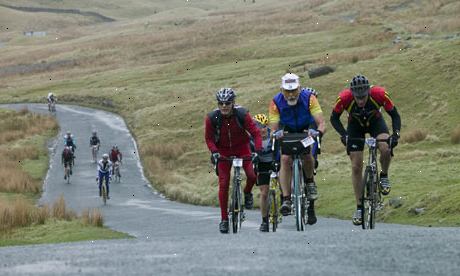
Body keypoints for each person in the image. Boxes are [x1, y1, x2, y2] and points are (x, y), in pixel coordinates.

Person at [330, 74, 401, 225]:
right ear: (353, 94)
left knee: (386, 148)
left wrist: (395, 135)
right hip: (355, 126)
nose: (361, 101)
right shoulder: (344, 98)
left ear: (368, 92)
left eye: (363, 97)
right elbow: (334, 118)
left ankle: (384, 175)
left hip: (375, 122)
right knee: (356, 166)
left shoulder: (380, 94)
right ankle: (359, 207)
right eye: (358, 97)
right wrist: (344, 135)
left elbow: (395, 115)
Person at [268, 73, 326, 225]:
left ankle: (310, 183)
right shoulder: (275, 102)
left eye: (294, 90)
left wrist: (317, 132)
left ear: (299, 88)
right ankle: (286, 199)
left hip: (306, 131)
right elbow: (273, 128)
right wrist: (276, 133)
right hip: (287, 131)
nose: (291, 94)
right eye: (288, 91)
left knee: (307, 156)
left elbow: (321, 123)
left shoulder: (309, 98)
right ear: (282, 90)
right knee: (285, 159)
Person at [205, 88, 262, 234]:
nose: (224, 106)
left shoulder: (242, 114)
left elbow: (256, 133)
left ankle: (247, 193)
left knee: (252, 175)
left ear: (233, 103)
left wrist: (258, 151)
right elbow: (209, 138)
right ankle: (224, 220)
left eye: (227, 103)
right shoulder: (212, 117)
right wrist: (215, 152)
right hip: (222, 151)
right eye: (221, 103)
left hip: (242, 148)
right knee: (223, 184)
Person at [251, 113, 277, 232]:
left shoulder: (273, 136)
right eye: (258, 127)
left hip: (273, 162)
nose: (261, 130)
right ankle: (264, 221)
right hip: (261, 165)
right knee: (264, 192)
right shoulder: (252, 139)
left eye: (263, 127)